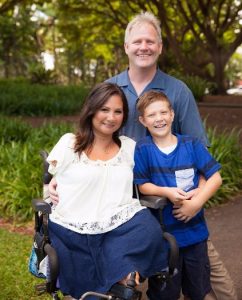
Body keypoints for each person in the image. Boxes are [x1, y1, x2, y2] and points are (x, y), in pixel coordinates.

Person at [49, 11, 238, 300]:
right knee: (141, 280)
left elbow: (198, 153)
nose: (143, 47)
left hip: (177, 207)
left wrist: (195, 201)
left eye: (151, 41)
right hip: (124, 203)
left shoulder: (178, 91)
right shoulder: (110, 89)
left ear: (160, 47)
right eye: (137, 41)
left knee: (213, 283)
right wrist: (55, 181)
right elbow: (88, 142)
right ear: (126, 47)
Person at [46, 82, 168, 299]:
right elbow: (48, 181)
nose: (111, 117)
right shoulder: (69, 143)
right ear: (91, 110)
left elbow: (150, 177)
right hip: (72, 227)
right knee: (84, 274)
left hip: (119, 225)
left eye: (118, 111)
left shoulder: (130, 147)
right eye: (105, 109)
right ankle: (116, 283)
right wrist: (52, 185)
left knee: (148, 227)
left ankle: (124, 279)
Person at [133, 90, 222, 299]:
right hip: (163, 239)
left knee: (197, 290)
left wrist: (195, 203)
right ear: (142, 120)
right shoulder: (143, 149)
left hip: (195, 235)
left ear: (172, 114)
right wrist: (165, 192)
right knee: (165, 293)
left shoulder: (191, 144)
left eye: (163, 112)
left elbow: (215, 178)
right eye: (152, 115)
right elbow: (142, 184)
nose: (159, 119)